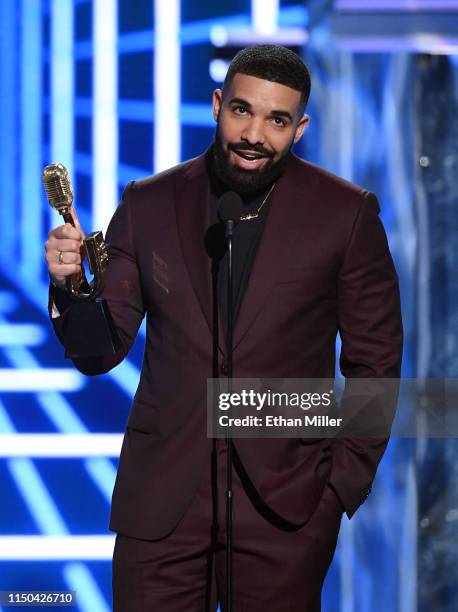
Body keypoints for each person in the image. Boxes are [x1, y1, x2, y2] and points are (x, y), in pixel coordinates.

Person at [45, 45, 403, 611]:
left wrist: (338, 489)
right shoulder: (148, 203)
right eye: (242, 111)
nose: (255, 134)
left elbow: (375, 365)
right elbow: (99, 350)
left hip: (287, 512)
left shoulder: (346, 214)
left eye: (277, 120)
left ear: (300, 127)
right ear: (217, 105)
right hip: (162, 508)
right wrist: (69, 285)